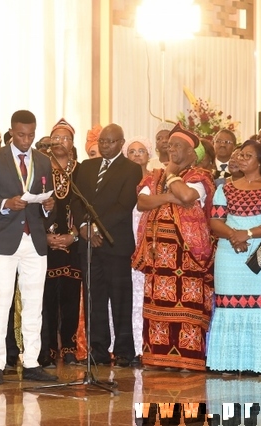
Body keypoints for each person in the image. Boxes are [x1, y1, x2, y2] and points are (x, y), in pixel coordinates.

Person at [0, 110, 56, 384]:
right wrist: (5, 204)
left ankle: (31, 362)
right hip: (4, 239)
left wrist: (49, 206)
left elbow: (49, 203)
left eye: (31, 135)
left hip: (34, 240)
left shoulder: (43, 161)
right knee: (1, 301)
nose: (26, 140)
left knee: (34, 302)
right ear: (11, 132)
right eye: (21, 135)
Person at [132, 124, 216, 372]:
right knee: (158, 304)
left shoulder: (200, 176)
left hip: (189, 255)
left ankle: (187, 360)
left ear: (192, 153)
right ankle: (157, 358)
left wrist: (171, 175)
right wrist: (169, 197)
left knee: (187, 306)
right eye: (169, 146)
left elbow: (188, 196)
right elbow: (142, 202)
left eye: (177, 146)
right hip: (158, 255)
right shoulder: (153, 175)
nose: (171, 149)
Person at [207, 140, 261, 373]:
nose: (240, 159)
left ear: (260, 161)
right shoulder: (225, 188)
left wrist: (248, 234)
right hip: (230, 252)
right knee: (230, 306)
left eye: (247, 155)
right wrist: (235, 236)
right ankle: (228, 363)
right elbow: (215, 222)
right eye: (240, 155)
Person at [71, 123, 142, 367]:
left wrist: (96, 228)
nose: (104, 145)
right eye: (102, 141)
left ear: (121, 143)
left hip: (115, 243)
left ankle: (124, 351)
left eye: (110, 142)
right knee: (94, 298)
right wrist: (84, 227)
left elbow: (124, 205)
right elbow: (76, 201)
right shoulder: (87, 166)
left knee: (120, 299)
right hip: (89, 244)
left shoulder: (131, 169)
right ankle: (97, 350)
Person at [39, 119, 82, 366]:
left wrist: (73, 235)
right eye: (55, 138)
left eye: (65, 138)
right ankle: (47, 350)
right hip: (44, 243)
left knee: (70, 298)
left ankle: (69, 347)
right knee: (46, 299)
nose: (59, 142)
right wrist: (45, 236)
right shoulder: (40, 168)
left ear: (72, 143)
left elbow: (85, 207)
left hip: (73, 243)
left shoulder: (81, 171)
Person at [122, 136, 152, 363]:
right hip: (126, 245)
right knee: (129, 298)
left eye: (141, 151)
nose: (136, 155)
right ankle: (130, 348)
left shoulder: (156, 180)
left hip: (149, 246)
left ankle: (146, 347)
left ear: (149, 155)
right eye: (132, 151)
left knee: (145, 297)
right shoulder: (121, 181)